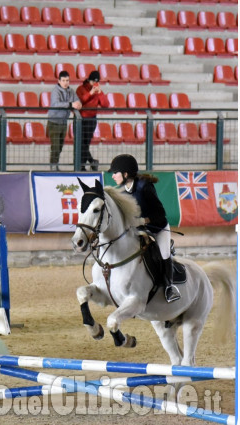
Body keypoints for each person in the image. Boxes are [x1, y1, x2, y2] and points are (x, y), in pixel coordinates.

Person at [109, 154, 181, 303]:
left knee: (164, 254)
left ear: (125, 174)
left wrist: (143, 220)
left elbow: (160, 214)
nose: (113, 176)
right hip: (139, 230)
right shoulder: (122, 190)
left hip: (157, 228)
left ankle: (170, 288)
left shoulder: (144, 187)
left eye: (115, 173)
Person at [46, 71, 81, 171]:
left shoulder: (71, 91)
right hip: (54, 122)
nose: (65, 82)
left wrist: (78, 104)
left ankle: (55, 164)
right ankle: (53, 165)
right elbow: (55, 104)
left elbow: (77, 101)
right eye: (63, 80)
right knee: (56, 146)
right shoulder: (55, 91)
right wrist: (71, 105)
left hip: (63, 122)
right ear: (59, 81)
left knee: (60, 145)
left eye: (67, 80)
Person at [76, 70, 109, 171]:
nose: (94, 84)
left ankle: (83, 164)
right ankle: (89, 162)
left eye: (96, 82)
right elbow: (80, 100)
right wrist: (90, 93)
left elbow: (105, 104)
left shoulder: (98, 91)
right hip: (80, 119)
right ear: (89, 80)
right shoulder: (80, 89)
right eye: (92, 82)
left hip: (91, 119)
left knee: (86, 143)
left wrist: (100, 93)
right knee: (81, 142)